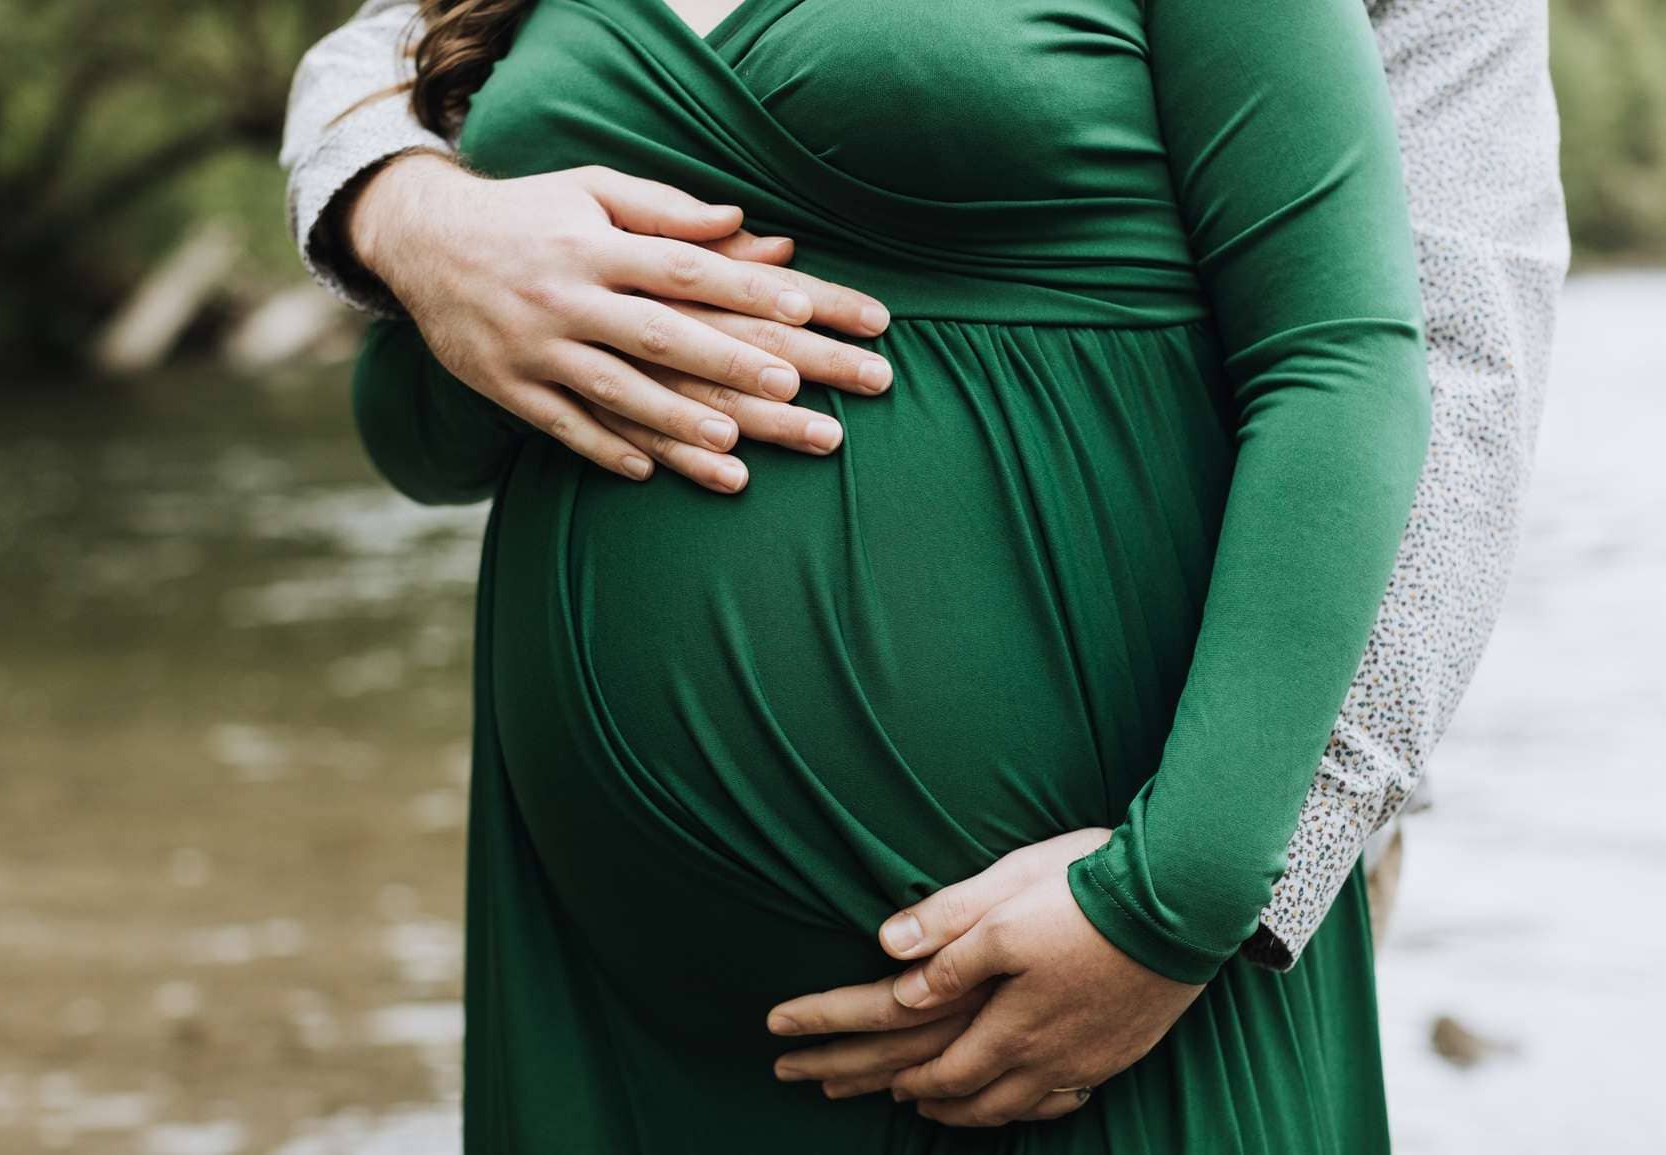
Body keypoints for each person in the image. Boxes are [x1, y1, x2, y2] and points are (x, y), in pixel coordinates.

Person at [279, 0, 1568, 1150]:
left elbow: (1410, 362)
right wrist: (417, 228)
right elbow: (418, 403)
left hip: (1115, 924)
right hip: (622, 1010)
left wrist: (1187, 896)